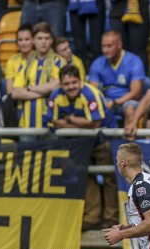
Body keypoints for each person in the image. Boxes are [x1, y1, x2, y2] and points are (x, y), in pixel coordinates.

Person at [48, 65, 118, 231]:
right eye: (67, 84)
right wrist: (81, 125)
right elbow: (53, 122)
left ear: (81, 81)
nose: (71, 86)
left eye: (74, 82)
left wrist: (69, 119)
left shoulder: (91, 93)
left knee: (110, 179)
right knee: (86, 178)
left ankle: (112, 220)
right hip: (80, 144)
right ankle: (91, 218)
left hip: (102, 141)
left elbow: (95, 123)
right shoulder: (55, 95)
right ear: (61, 84)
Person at [11, 22, 64, 133]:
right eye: (39, 38)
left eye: (46, 38)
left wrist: (29, 87)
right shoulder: (26, 63)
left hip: (51, 123)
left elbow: (54, 86)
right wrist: (44, 91)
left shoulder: (58, 61)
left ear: (51, 40)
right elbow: (15, 92)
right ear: (33, 40)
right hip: (26, 123)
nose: (43, 41)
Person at [88, 31, 145, 129]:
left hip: (129, 100)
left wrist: (115, 103)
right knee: (96, 108)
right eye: (103, 46)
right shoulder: (97, 64)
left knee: (130, 108)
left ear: (119, 45)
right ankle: (103, 142)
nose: (105, 50)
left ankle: (129, 143)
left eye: (109, 46)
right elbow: (93, 92)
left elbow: (136, 93)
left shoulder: (134, 61)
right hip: (107, 100)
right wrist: (102, 104)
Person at [3, 23, 34, 128]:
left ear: (33, 40)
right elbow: (10, 91)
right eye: (20, 40)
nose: (24, 43)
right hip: (16, 101)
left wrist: (23, 91)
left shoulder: (40, 59)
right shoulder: (12, 60)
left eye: (27, 39)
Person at [109, 0, 150, 73]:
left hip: (139, 10)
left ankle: (141, 81)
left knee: (138, 51)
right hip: (116, 10)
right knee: (118, 51)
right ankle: (120, 81)